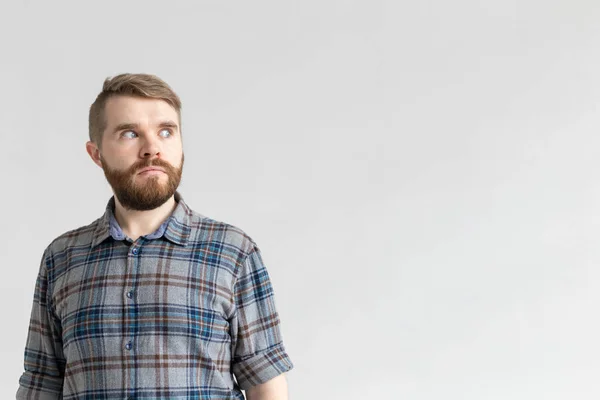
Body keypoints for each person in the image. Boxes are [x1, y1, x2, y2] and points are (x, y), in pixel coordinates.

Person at [16, 73, 293, 399]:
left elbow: (265, 384)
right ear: (96, 154)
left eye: (166, 131)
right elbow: (41, 384)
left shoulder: (233, 252)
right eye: (130, 133)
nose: (152, 148)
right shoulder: (62, 257)